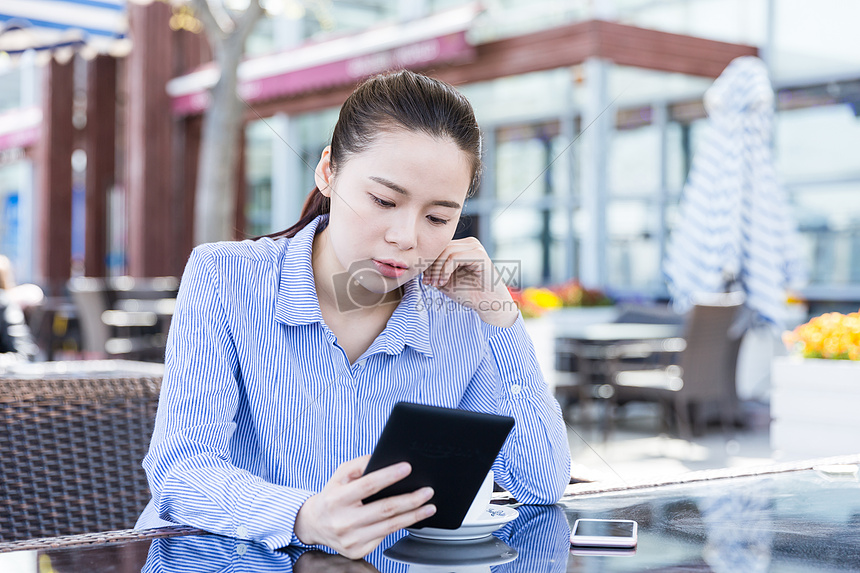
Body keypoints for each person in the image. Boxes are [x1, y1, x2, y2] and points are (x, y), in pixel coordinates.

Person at [135, 70, 571, 559]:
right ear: (329, 171)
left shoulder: (461, 311)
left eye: (438, 218)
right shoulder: (228, 278)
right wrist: (306, 516)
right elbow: (181, 470)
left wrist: (503, 319)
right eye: (384, 200)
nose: (406, 236)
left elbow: (541, 484)